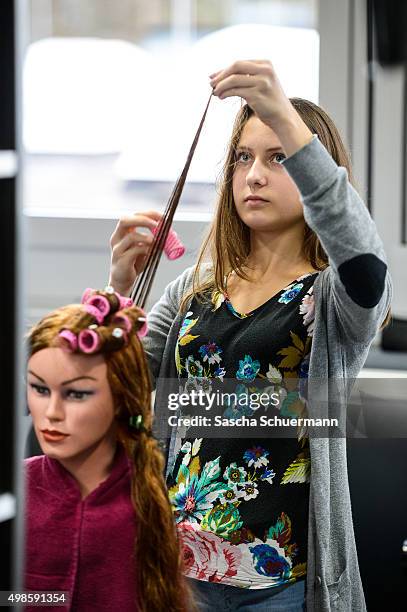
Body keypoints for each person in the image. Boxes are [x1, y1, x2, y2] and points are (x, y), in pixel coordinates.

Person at [108, 60, 392, 611]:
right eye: (242, 158)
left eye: (278, 158)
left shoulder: (332, 299)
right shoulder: (194, 288)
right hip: (174, 571)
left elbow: (365, 258)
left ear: (315, 172)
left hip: (281, 588)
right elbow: (113, 389)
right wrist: (120, 291)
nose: (254, 175)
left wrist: (284, 115)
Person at [25, 288, 191, 612]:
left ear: (121, 398)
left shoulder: (154, 500)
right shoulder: (16, 491)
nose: (52, 411)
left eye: (77, 394)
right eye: (40, 389)